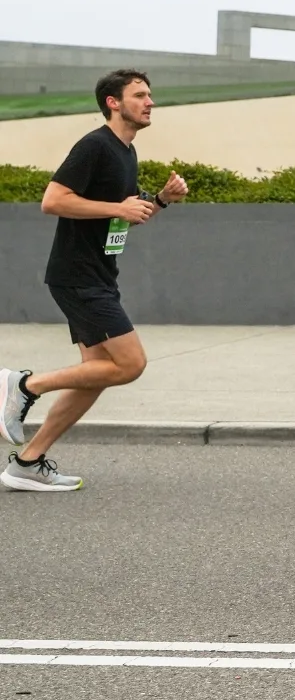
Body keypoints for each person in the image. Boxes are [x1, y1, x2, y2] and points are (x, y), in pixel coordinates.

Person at [3, 70, 188, 491]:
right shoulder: (95, 146)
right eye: (140, 95)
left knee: (99, 373)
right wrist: (117, 209)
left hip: (98, 274)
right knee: (129, 364)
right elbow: (53, 201)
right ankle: (23, 384)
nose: (150, 102)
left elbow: (123, 216)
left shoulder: (125, 152)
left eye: (150, 94)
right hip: (78, 276)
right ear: (113, 102)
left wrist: (159, 201)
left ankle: (28, 463)